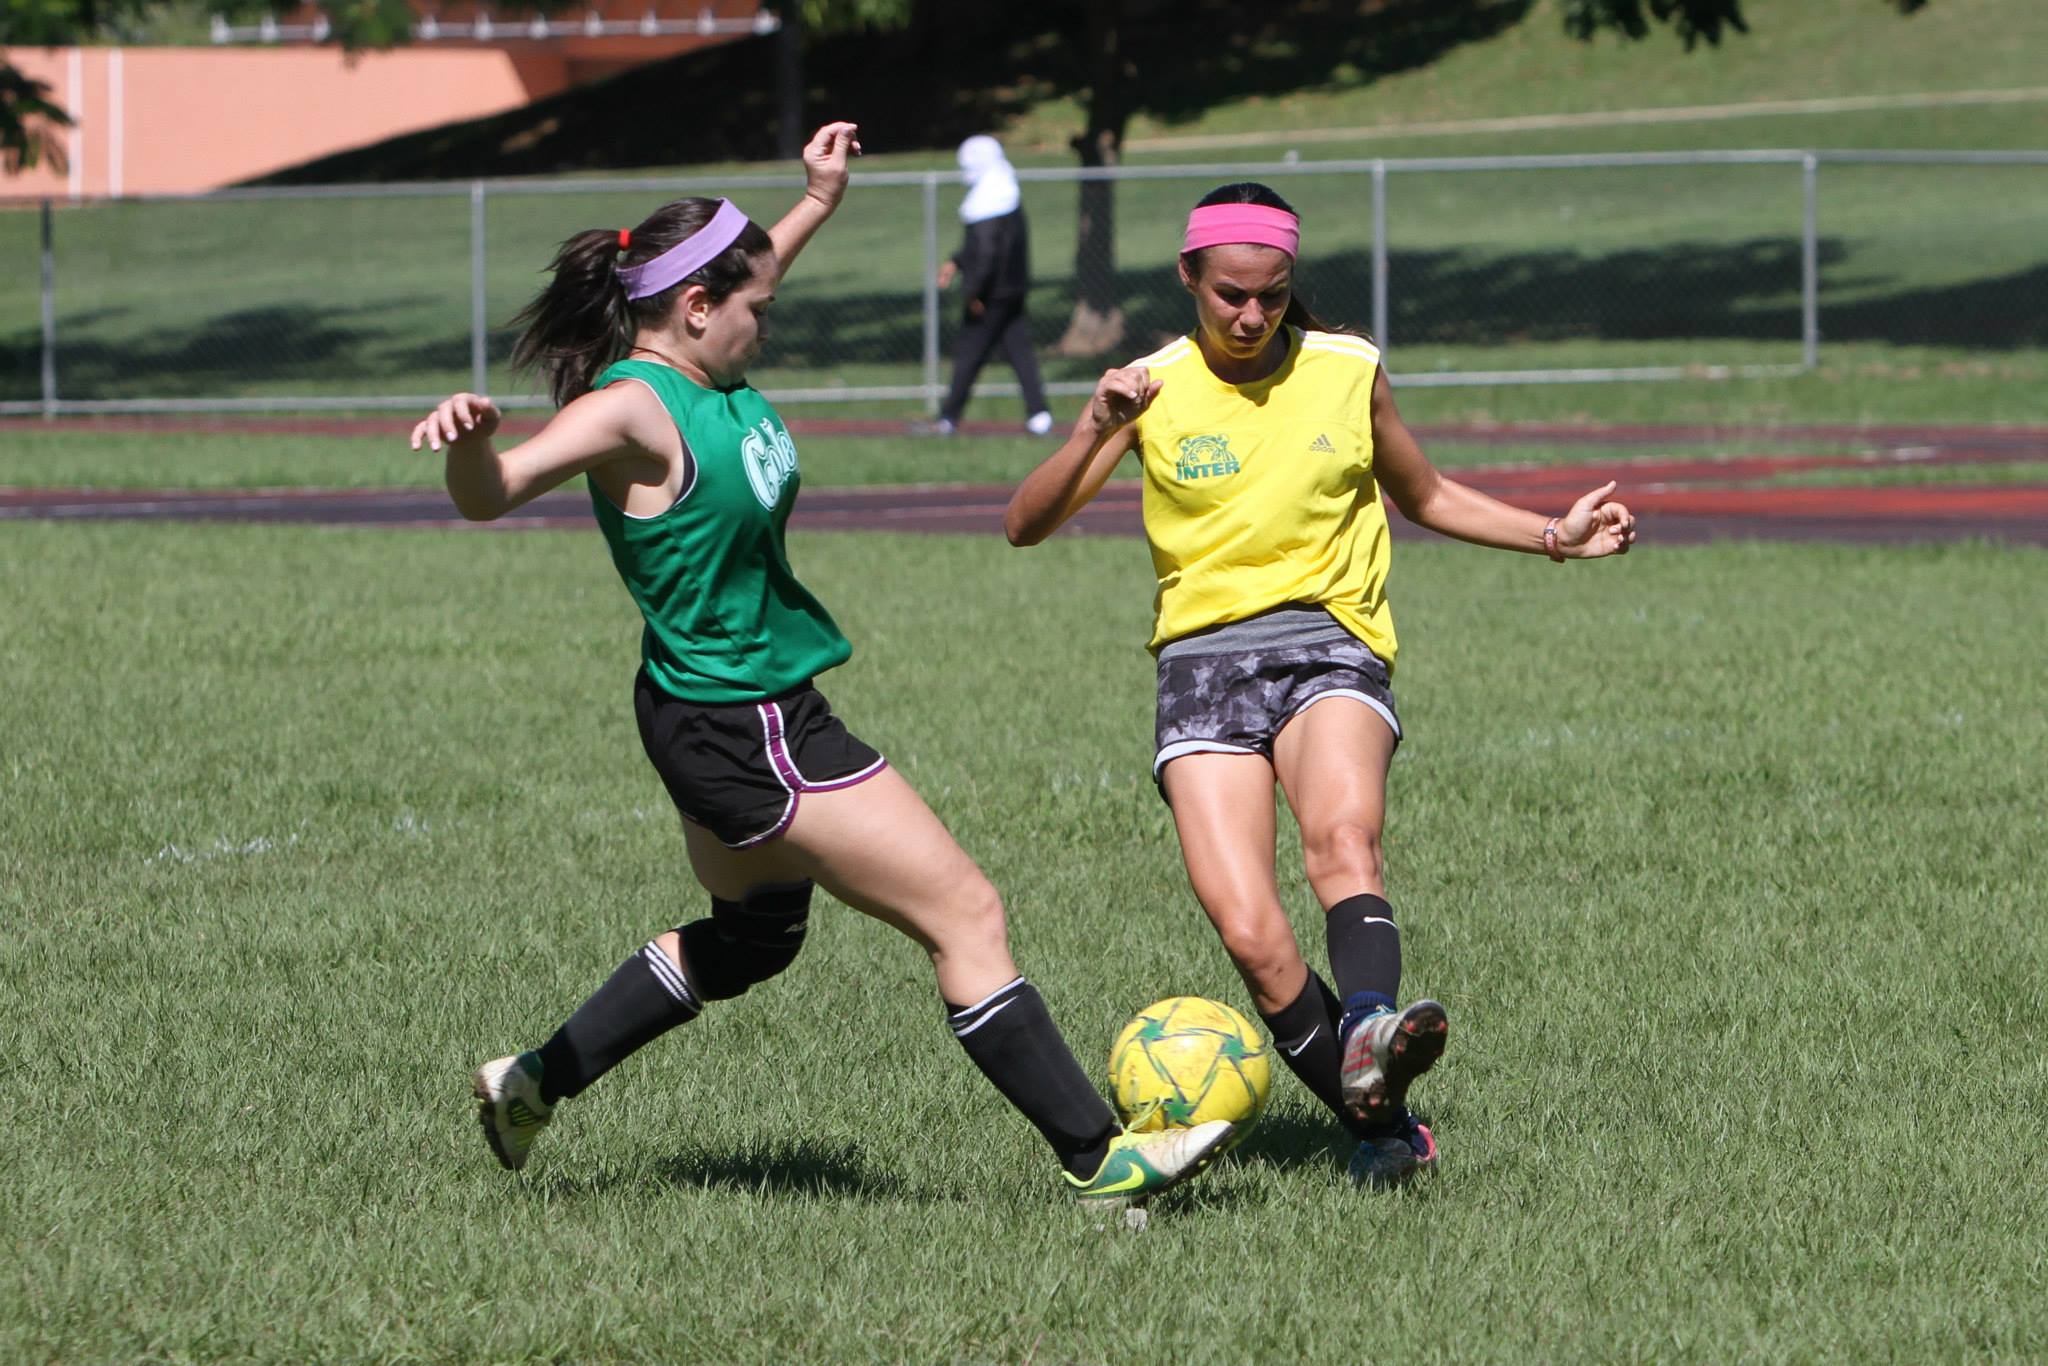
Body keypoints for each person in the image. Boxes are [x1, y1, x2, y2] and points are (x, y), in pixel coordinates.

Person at [407, 122, 1232, 1217]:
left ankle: (531, 1081)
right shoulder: (630, 406)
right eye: (759, 307)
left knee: (752, 939)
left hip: (711, 709)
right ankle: (1097, 1160)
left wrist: (816, 200)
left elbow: (751, 272)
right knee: (965, 912)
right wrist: (469, 438)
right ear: (696, 309)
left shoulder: (700, 346)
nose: (771, 317)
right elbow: (491, 491)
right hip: (745, 722)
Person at [1004, 182, 1636, 1189]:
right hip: (1198, 664)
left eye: (1269, 293)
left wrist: (1551, 536)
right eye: (1228, 296)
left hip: (1328, 642)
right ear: (1187, 279)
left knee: (1341, 840)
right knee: (1252, 934)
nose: (1250, 316)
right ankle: (1377, 1114)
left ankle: (1371, 1020)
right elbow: (1024, 523)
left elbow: (1421, 493)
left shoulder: (1347, 368)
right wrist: (1093, 420)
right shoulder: (1148, 386)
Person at [930, 134, 1053, 437]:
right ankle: (1039, 415)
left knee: (970, 354)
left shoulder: (987, 202)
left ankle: (948, 417)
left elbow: (986, 253)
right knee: (1020, 352)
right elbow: (987, 247)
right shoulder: (1007, 194)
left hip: (992, 295)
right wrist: (956, 261)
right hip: (1014, 288)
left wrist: (973, 292)